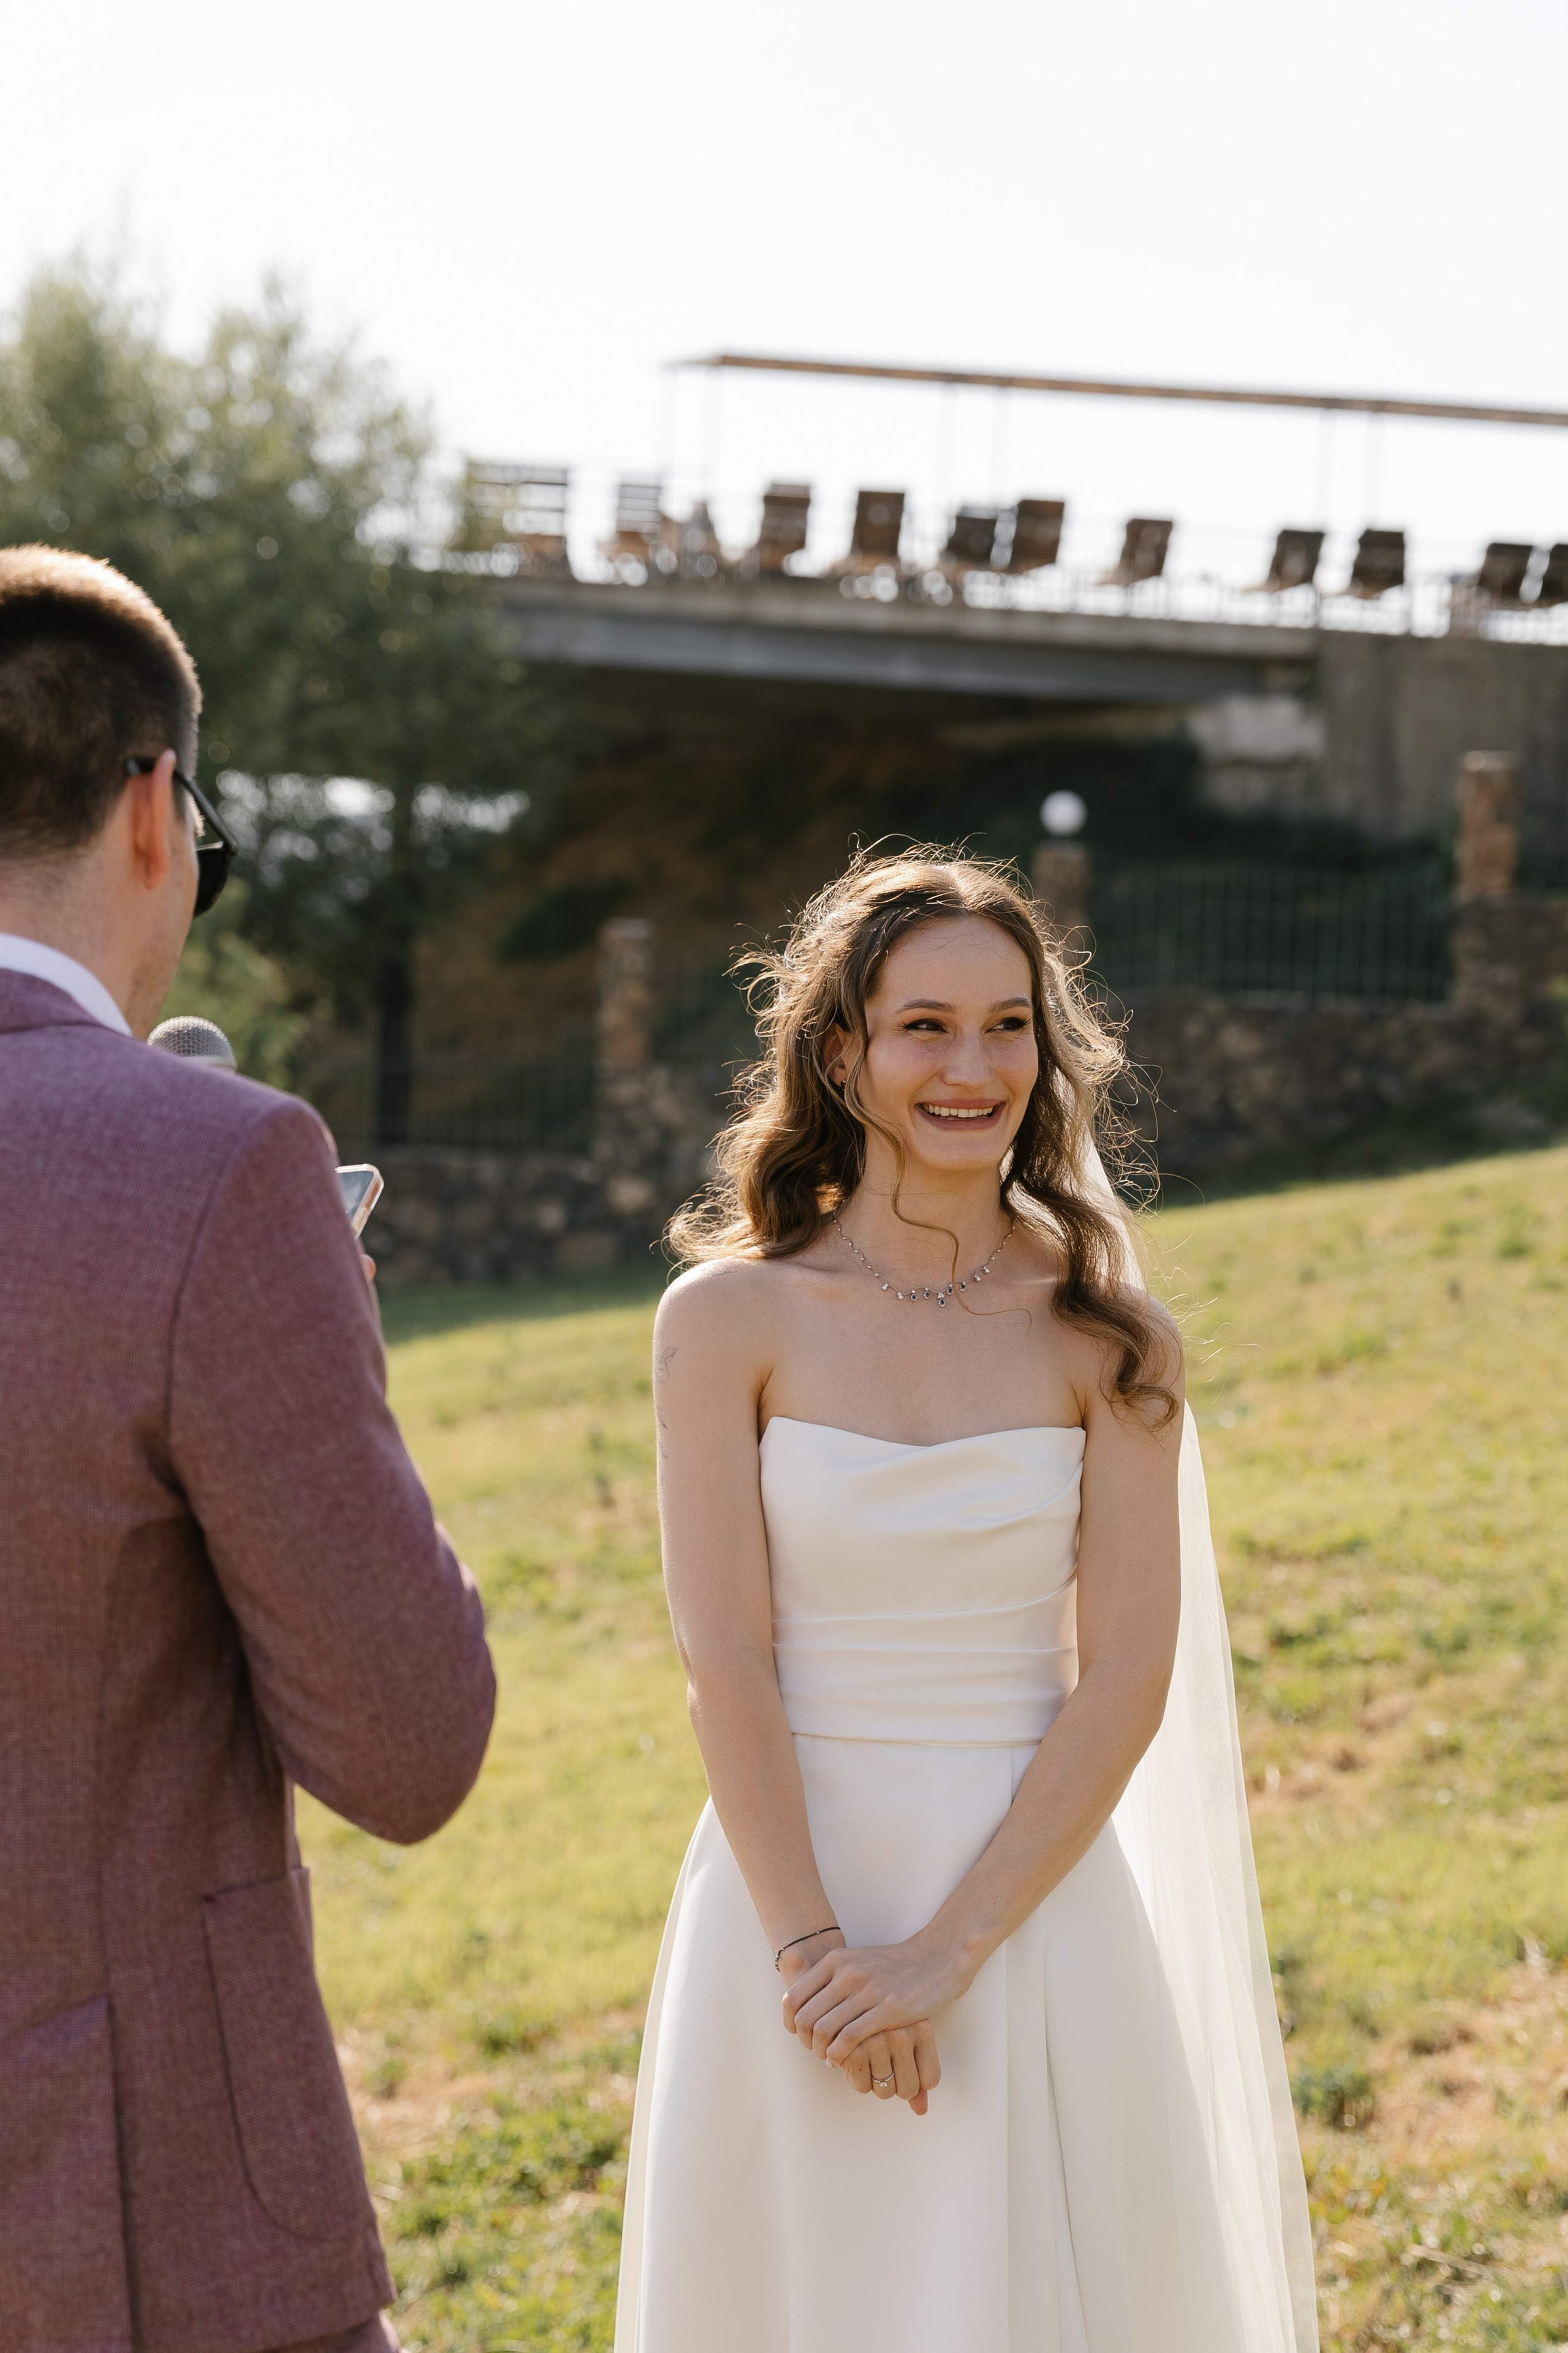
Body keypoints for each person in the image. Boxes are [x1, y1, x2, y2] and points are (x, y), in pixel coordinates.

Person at [615, 848, 1317, 2353]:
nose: (971, 1065)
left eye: (1008, 1026)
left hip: (1032, 1907)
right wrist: (817, 1962)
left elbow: (1124, 1671)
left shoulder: (1105, 1334)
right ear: (839, 1050)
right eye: (923, 1025)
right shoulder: (725, 1319)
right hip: (786, 1901)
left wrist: (945, 1954)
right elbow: (723, 1655)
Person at [0, 545, 496, 2353]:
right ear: (154, 810)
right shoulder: (211, 1167)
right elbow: (408, 1740)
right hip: (133, 2227)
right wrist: (312, 1338)